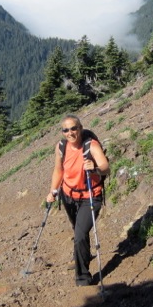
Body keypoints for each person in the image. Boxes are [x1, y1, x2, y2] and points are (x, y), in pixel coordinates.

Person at [46, 114, 110, 286]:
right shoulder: (61, 147)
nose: (70, 133)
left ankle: (82, 277)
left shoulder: (91, 145)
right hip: (68, 195)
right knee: (78, 231)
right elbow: (58, 170)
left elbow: (106, 168)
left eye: (73, 128)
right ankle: (83, 255)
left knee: (80, 234)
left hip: (90, 196)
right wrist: (53, 190)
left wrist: (95, 168)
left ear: (80, 128)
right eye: (66, 130)